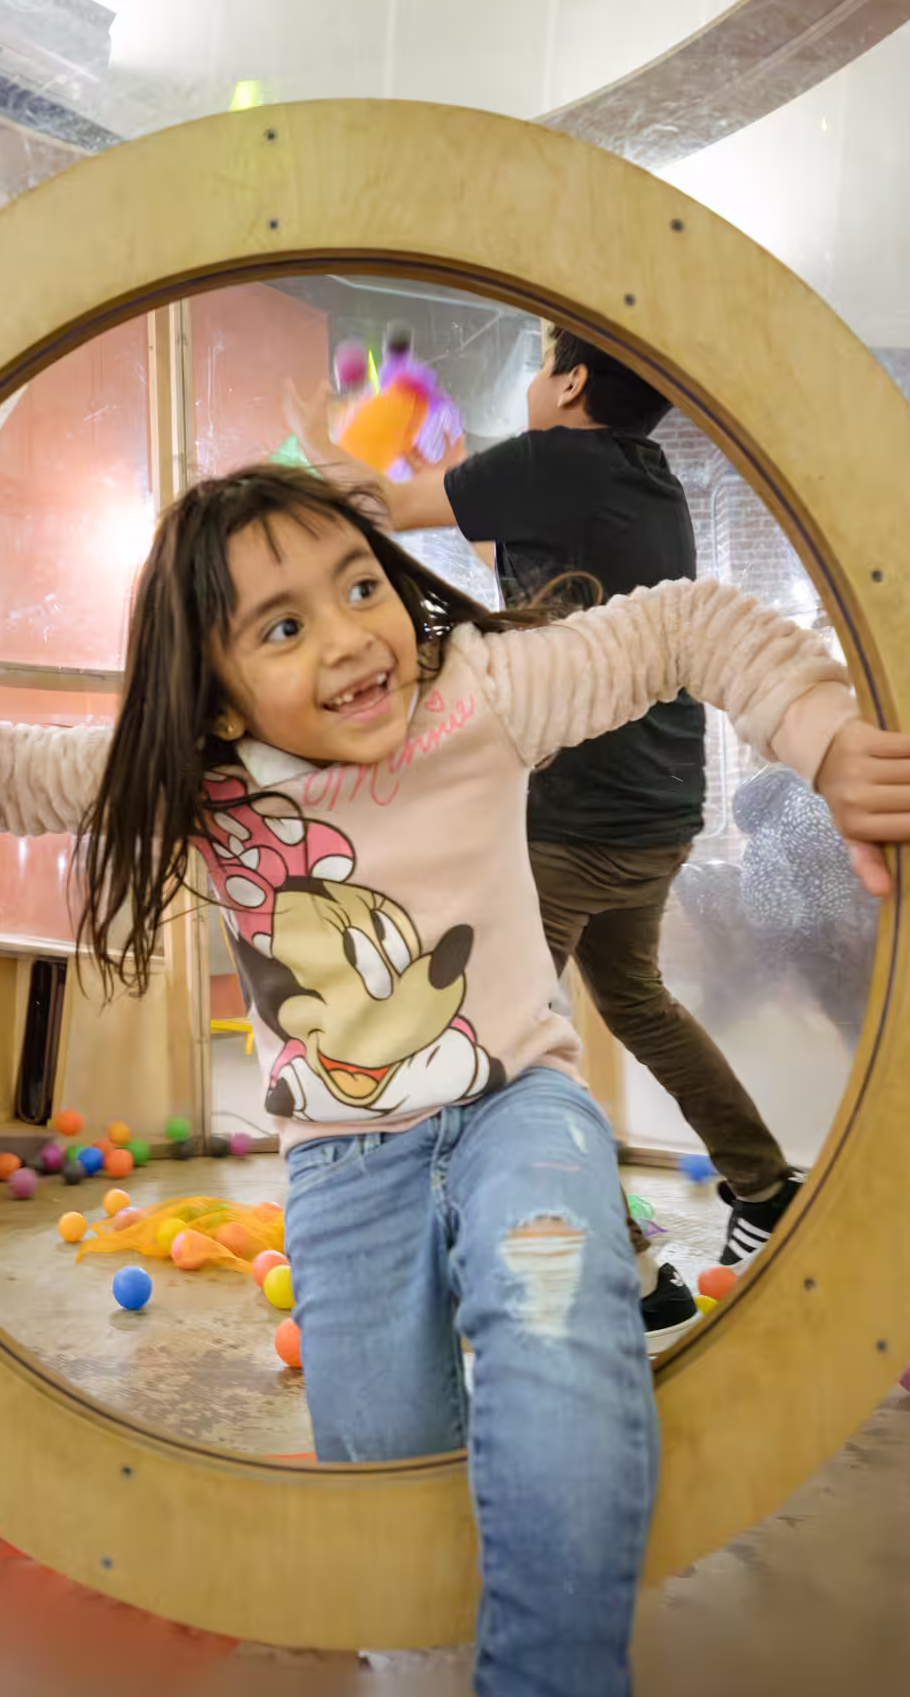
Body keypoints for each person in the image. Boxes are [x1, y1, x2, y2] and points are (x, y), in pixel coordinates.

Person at [0, 465, 910, 1697]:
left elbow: (684, 625)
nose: (349, 636)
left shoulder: (478, 692)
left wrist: (829, 739)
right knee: (385, 1469)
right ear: (216, 684)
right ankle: (413, 1691)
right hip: (345, 1173)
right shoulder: (197, 776)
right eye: (282, 625)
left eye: (358, 584)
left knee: (560, 1333)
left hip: (522, 1109)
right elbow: (8, 767)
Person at [292, 323, 829, 1279]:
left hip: (575, 820)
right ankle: (762, 1185)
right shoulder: (649, 477)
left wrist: (301, 466)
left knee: (503, 1044)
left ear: (573, 383)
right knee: (636, 999)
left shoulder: (548, 460)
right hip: (659, 811)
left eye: (544, 366)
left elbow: (382, 504)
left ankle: (608, 1269)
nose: (536, 382)